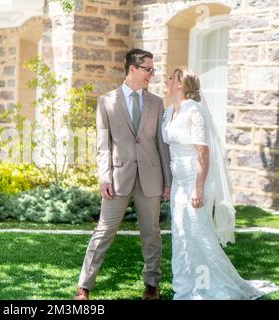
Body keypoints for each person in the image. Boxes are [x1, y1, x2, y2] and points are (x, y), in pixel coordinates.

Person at [162, 66, 279, 299]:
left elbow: (203, 153)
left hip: (194, 182)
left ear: (181, 84)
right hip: (177, 183)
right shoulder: (169, 112)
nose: (166, 80)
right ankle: (184, 285)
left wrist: (197, 188)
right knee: (181, 233)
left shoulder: (193, 112)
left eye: (170, 78)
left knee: (198, 234)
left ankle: (206, 286)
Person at [74, 49, 172, 300]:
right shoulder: (106, 102)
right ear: (132, 69)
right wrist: (104, 177)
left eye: (153, 69)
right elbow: (102, 144)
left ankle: (151, 285)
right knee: (104, 230)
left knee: (151, 233)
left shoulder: (156, 102)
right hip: (118, 178)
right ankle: (84, 285)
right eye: (148, 69)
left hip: (151, 178)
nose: (152, 74)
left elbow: (162, 144)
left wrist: (167, 182)